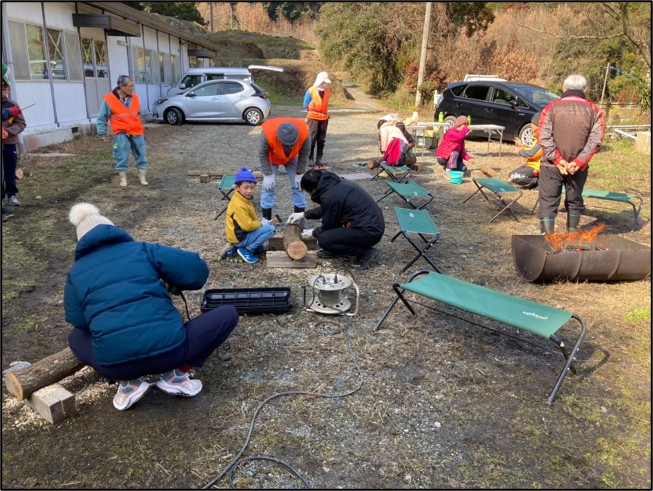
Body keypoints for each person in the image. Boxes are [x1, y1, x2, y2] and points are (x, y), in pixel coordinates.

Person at [65, 203, 239, 411]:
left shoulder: (75, 272)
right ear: (112, 229)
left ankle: (126, 383)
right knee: (228, 313)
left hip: (117, 365)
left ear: (81, 242)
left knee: (75, 337)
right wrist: (169, 281)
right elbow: (196, 271)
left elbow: (79, 321)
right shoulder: (142, 250)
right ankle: (178, 375)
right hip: (172, 353)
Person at [538, 74, 604, 234]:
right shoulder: (594, 110)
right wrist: (578, 162)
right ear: (584, 89)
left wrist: (557, 159)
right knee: (574, 201)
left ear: (563, 88)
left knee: (548, 202)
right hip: (578, 168)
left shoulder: (550, 108)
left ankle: (547, 239)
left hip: (551, 166)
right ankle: (572, 237)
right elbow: (596, 140)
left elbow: (543, 137)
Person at [287, 169, 385, 270]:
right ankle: (337, 251)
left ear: (313, 189)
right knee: (329, 234)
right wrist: (303, 214)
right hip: (370, 225)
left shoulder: (330, 196)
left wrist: (314, 232)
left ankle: (365, 253)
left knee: (324, 239)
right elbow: (327, 208)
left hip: (369, 232)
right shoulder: (333, 185)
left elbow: (329, 225)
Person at [96, 75, 149, 187]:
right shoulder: (109, 100)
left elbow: (137, 113)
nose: (132, 88)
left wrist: (140, 122)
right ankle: (123, 179)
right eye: (130, 86)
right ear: (121, 86)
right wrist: (102, 133)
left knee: (141, 155)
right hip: (121, 134)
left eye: (133, 86)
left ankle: (142, 178)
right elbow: (101, 117)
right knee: (122, 156)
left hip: (137, 132)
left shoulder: (135, 97)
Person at [258, 117, 311, 224]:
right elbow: (262, 153)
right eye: (286, 145)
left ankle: (299, 219)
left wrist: (300, 173)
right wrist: (268, 174)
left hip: (293, 157)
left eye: (291, 145)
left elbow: (304, 154)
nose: (289, 147)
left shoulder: (305, 133)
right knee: (268, 187)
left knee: (299, 186)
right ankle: (266, 220)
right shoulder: (267, 134)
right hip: (273, 157)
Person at [222, 167, 276, 264]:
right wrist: (261, 224)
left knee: (263, 228)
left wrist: (259, 225)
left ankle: (248, 246)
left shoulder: (243, 198)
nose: (249, 191)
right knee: (271, 229)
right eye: (246, 188)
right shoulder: (239, 204)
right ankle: (247, 250)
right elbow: (247, 226)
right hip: (239, 239)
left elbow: (250, 219)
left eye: (252, 187)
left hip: (239, 236)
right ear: (237, 188)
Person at [2, 74, 26, 208]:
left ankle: (11, 195)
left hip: (9, 143)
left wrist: (8, 132)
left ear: (8, 90)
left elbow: (21, 123)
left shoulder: (13, 105)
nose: (2, 92)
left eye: (4, 89)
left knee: (10, 170)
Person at [303, 71, 331, 169]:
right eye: (324, 82)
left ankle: (319, 159)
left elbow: (325, 104)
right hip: (313, 118)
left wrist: (325, 113)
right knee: (312, 138)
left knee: (321, 139)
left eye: (326, 83)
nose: (325, 84)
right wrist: (311, 113)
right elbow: (305, 104)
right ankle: (310, 158)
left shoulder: (327, 90)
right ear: (320, 81)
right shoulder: (310, 91)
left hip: (324, 118)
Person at [508, 112, 543, 189]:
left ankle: (538, 182)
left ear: (538, 126)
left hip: (536, 168)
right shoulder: (537, 137)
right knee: (511, 175)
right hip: (530, 165)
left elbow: (532, 154)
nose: (531, 125)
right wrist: (522, 146)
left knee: (513, 176)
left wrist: (519, 151)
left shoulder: (542, 140)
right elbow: (531, 151)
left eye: (533, 123)